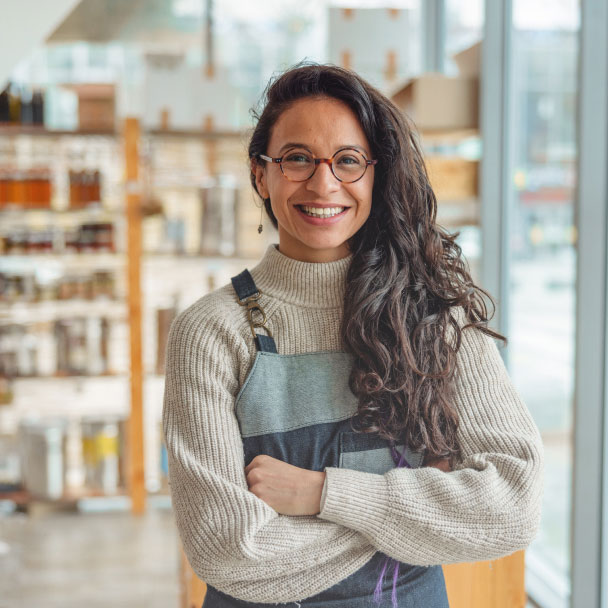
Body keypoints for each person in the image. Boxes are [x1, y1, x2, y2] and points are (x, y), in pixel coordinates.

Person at [162, 62, 545, 608]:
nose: (323, 184)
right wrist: (423, 517)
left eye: (348, 161)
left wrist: (321, 494)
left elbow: (513, 506)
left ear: (375, 174)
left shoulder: (435, 313)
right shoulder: (209, 332)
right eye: (297, 158)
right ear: (259, 174)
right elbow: (229, 552)